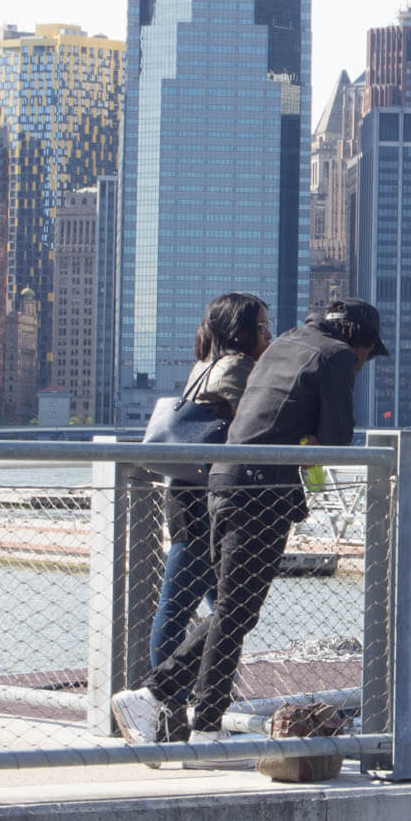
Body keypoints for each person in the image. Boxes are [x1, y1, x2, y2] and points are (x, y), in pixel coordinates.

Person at [113, 297, 388, 747]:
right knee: (233, 610)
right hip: (261, 491)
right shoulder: (335, 354)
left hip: (226, 480)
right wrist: (312, 435)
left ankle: (172, 704)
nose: (363, 363)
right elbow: (338, 438)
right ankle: (184, 714)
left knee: (233, 609)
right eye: (367, 354)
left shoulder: (285, 343)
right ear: (355, 338)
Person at [148, 293, 272, 684]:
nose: (269, 335)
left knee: (221, 607)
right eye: (262, 328)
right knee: (191, 605)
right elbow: (255, 423)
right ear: (241, 332)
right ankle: (166, 697)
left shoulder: (205, 364)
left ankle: (206, 693)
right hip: (209, 500)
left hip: (188, 492)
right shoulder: (236, 367)